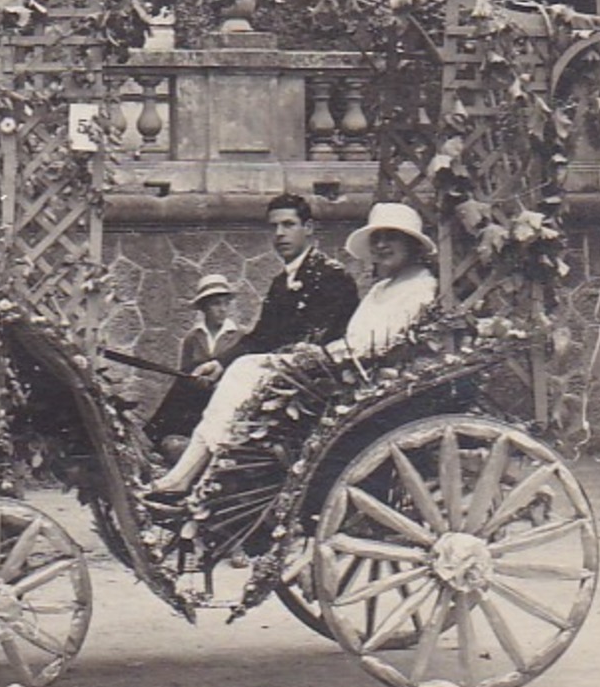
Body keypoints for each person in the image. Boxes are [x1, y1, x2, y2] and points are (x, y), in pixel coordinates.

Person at [147, 202, 438, 498]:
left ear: (412, 243)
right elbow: (261, 337)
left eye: (391, 237)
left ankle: (191, 476)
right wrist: (221, 362)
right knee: (237, 371)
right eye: (376, 238)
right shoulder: (380, 288)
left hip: (363, 374)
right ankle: (192, 472)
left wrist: (316, 354)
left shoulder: (419, 286)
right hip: (340, 361)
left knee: (245, 371)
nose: (381, 245)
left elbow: (388, 343)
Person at [191, 192, 359, 387]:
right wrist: (220, 363)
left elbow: (315, 344)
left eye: (288, 225)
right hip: (281, 371)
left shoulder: (332, 276)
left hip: (316, 381)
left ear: (308, 228)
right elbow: (260, 338)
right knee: (193, 381)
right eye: (274, 227)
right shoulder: (280, 283)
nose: (279, 233)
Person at [145, 274, 243, 447]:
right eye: (216, 304)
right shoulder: (193, 338)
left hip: (226, 399)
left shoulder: (238, 336)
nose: (222, 309)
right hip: (197, 401)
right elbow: (184, 374)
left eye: (226, 303)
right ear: (204, 307)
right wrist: (195, 378)